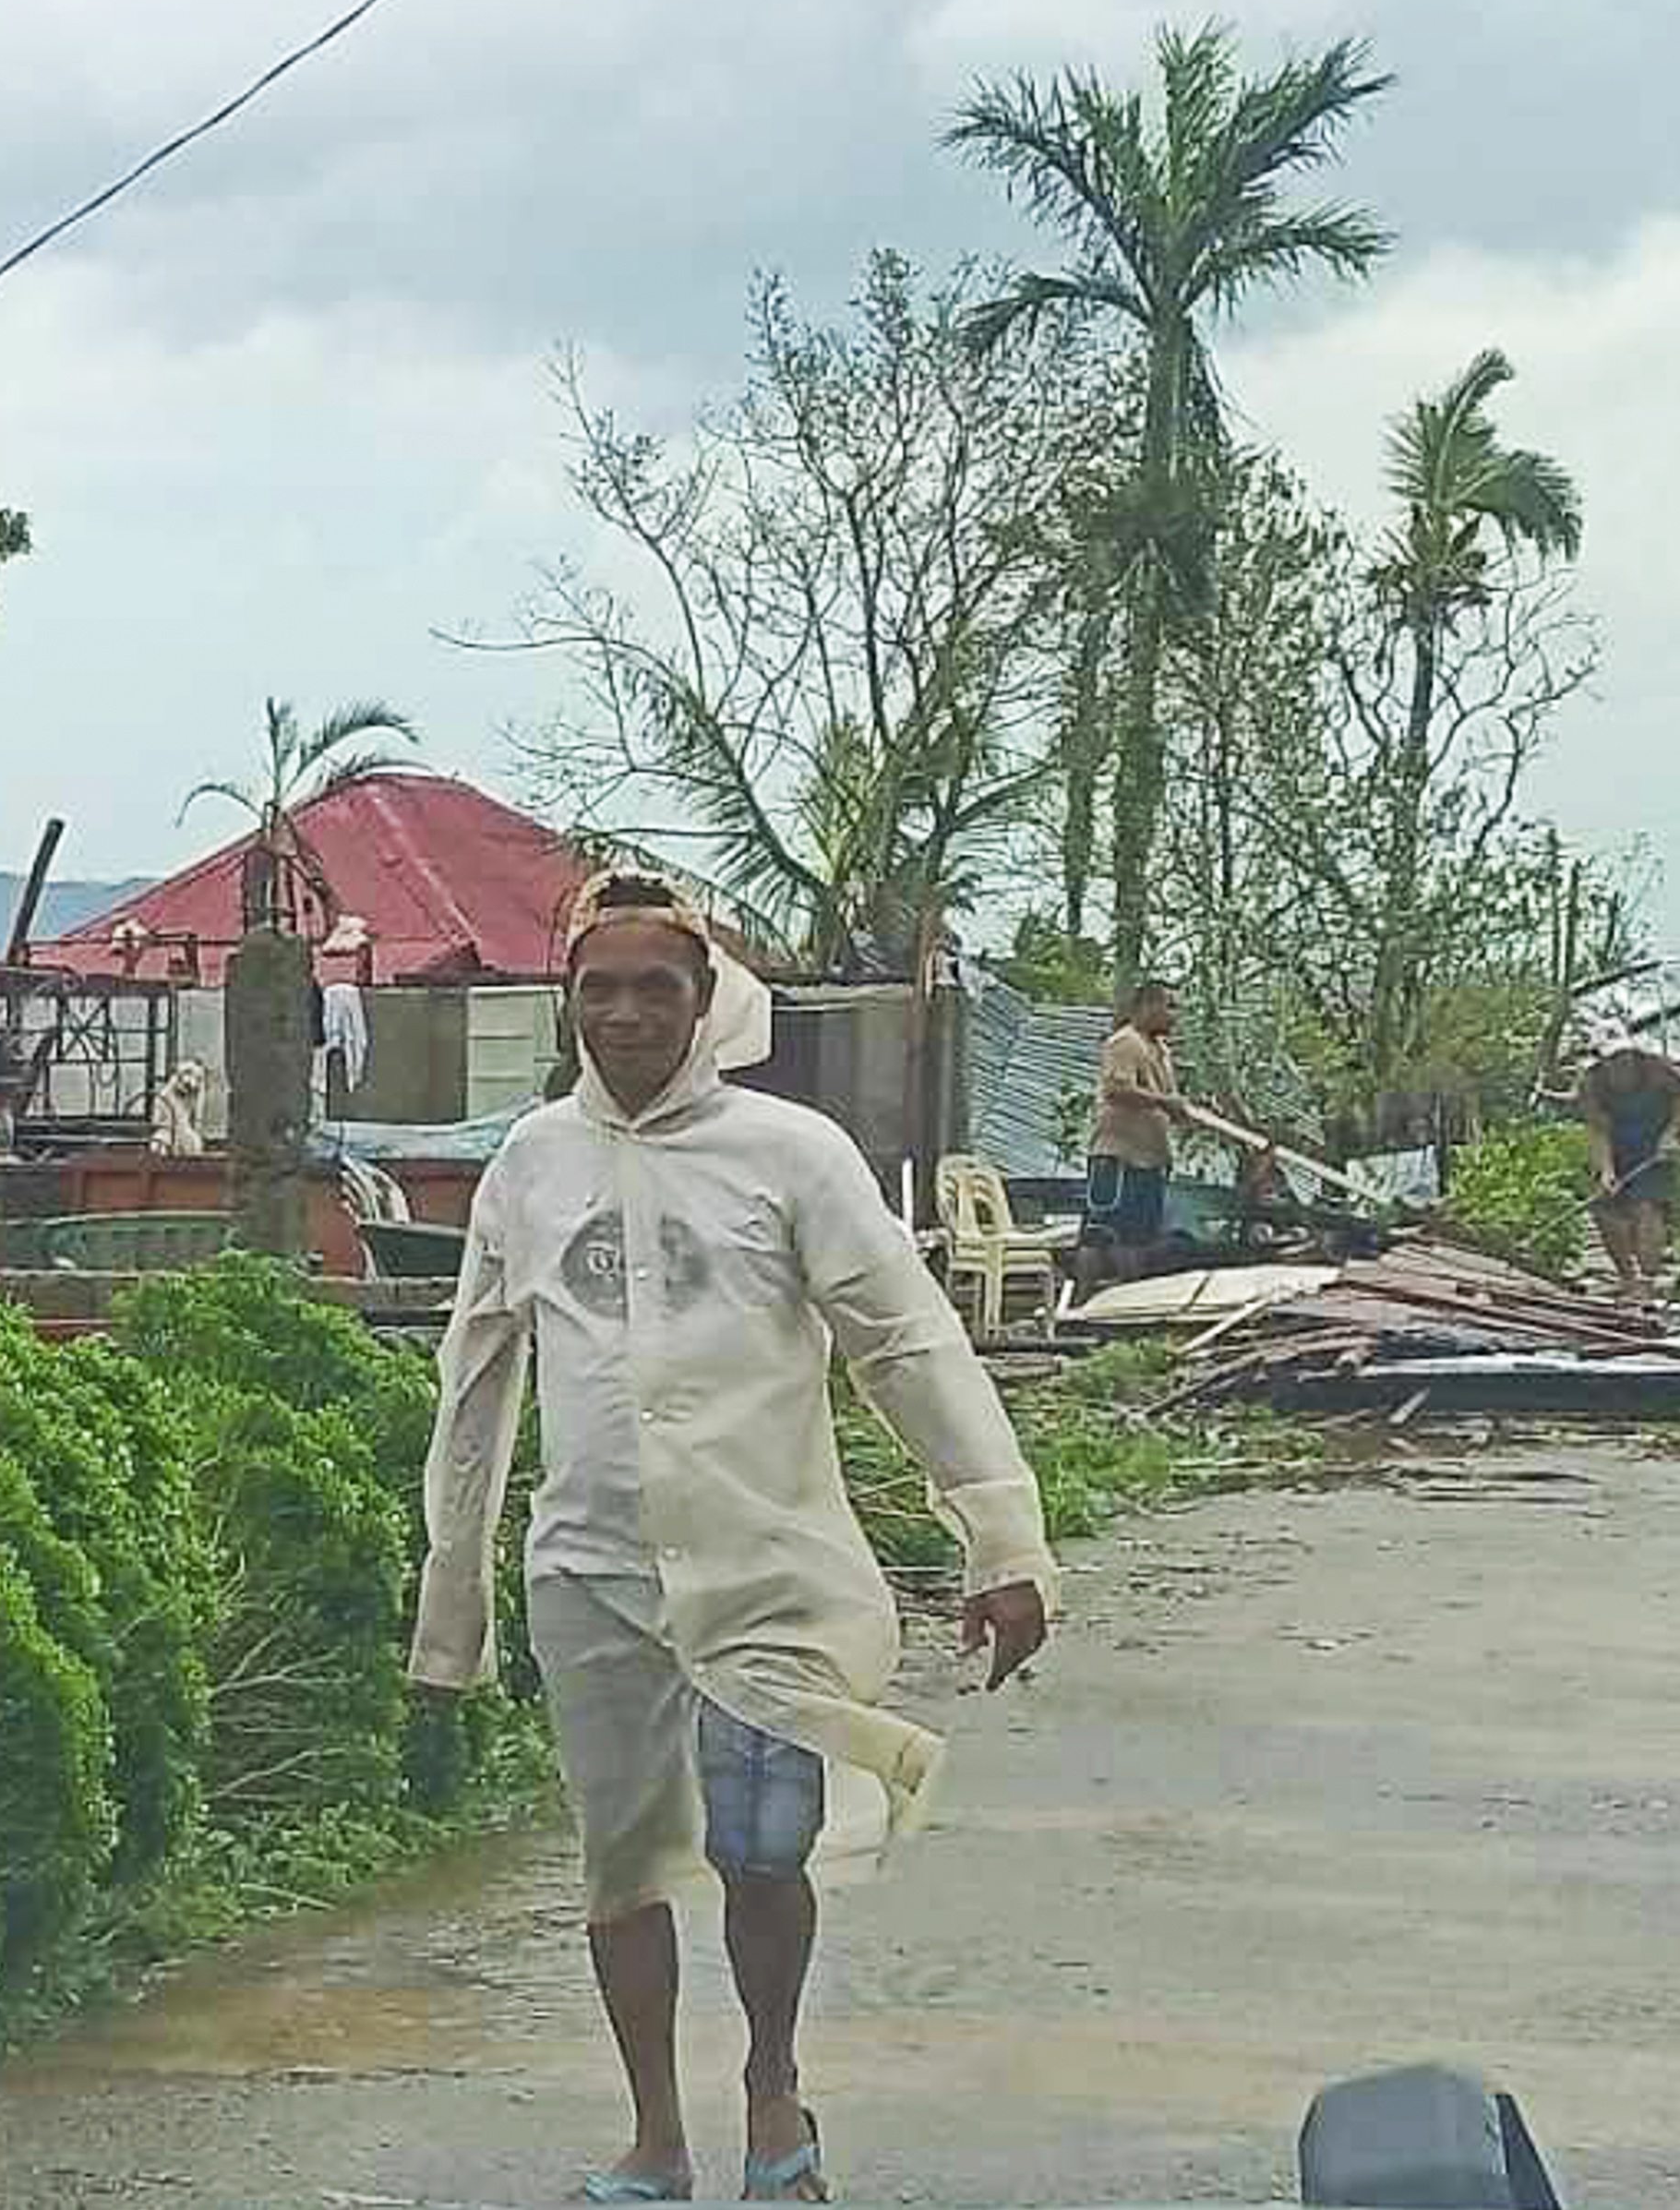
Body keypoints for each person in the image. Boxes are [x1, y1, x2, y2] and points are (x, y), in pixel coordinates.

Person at [411, 871, 1055, 2206]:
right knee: (621, 1861)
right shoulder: (531, 1163)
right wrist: (450, 1608)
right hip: (593, 1572)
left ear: (705, 998)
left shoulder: (789, 1154)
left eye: (656, 987)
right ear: (567, 999)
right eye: (598, 988)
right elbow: (475, 1381)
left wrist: (1001, 1536)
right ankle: (655, 2135)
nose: (626, 1014)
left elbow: (906, 1341)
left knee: (762, 1844)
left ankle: (772, 2087)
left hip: (765, 1568)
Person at [1572, 1025, 1680, 1306]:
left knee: (1646, 1208)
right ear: (1601, 1060)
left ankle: (1648, 1281)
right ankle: (1628, 1278)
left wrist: (1672, 1134)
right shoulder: (1591, 1083)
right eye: (1613, 1058)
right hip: (1619, 1150)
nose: (1621, 1063)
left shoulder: (1656, 1068)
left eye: (1624, 1055)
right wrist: (1606, 1170)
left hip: (1656, 1150)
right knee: (1604, 1210)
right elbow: (1598, 1129)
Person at [1082, 979, 1187, 1289]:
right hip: (1119, 1160)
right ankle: (1082, 1301)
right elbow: (1117, 1089)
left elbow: (1167, 1098)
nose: (1175, 1015)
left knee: (1140, 1237)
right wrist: (1164, 1102)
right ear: (1147, 1007)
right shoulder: (1125, 1043)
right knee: (1101, 1234)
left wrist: (1182, 1110)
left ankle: (1129, 1299)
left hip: (1150, 1160)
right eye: (1170, 1007)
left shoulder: (1161, 1050)